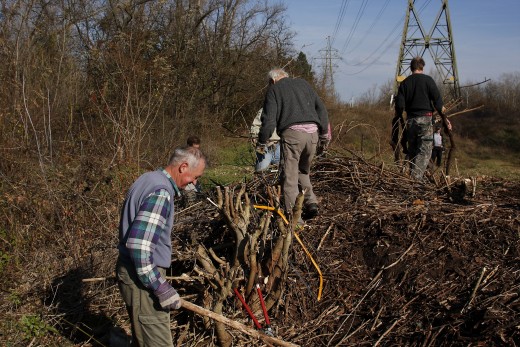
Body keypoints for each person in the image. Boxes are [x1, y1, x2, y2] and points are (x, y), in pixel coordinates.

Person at [116, 146, 206, 346]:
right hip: (141, 279)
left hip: (133, 273)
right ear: (183, 167)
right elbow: (139, 247)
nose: (194, 183)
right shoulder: (161, 193)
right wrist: (160, 287)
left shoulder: (148, 178)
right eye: (195, 177)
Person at [257, 68, 329, 219]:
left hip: (293, 136)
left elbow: (269, 120)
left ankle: (294, 217)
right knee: (303, 171)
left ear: (272, 81)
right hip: (313, 135)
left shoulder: (275, 89)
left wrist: (262, 141)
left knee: (289, 176)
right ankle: (311, 203)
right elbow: (321, 108)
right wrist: (323, 134)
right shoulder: (303, 84)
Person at [394, 56, 451, 180]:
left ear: (411, 68)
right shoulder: (428, 80)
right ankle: (415, 180)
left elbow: (399, 106)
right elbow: (438, 103)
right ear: (422, 67)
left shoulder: (405, 83)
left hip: (410, 121)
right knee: (424, 151)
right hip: (425, 120)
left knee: (413, 150)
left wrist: (399, 118)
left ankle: (408, 177)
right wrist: (445, 119)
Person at [184, 136, 202, 204]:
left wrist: (196, 177)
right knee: (190, 200)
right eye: (194, 148)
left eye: (197, 148)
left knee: (199, 198)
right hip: (186, 184)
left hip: (195, 183)